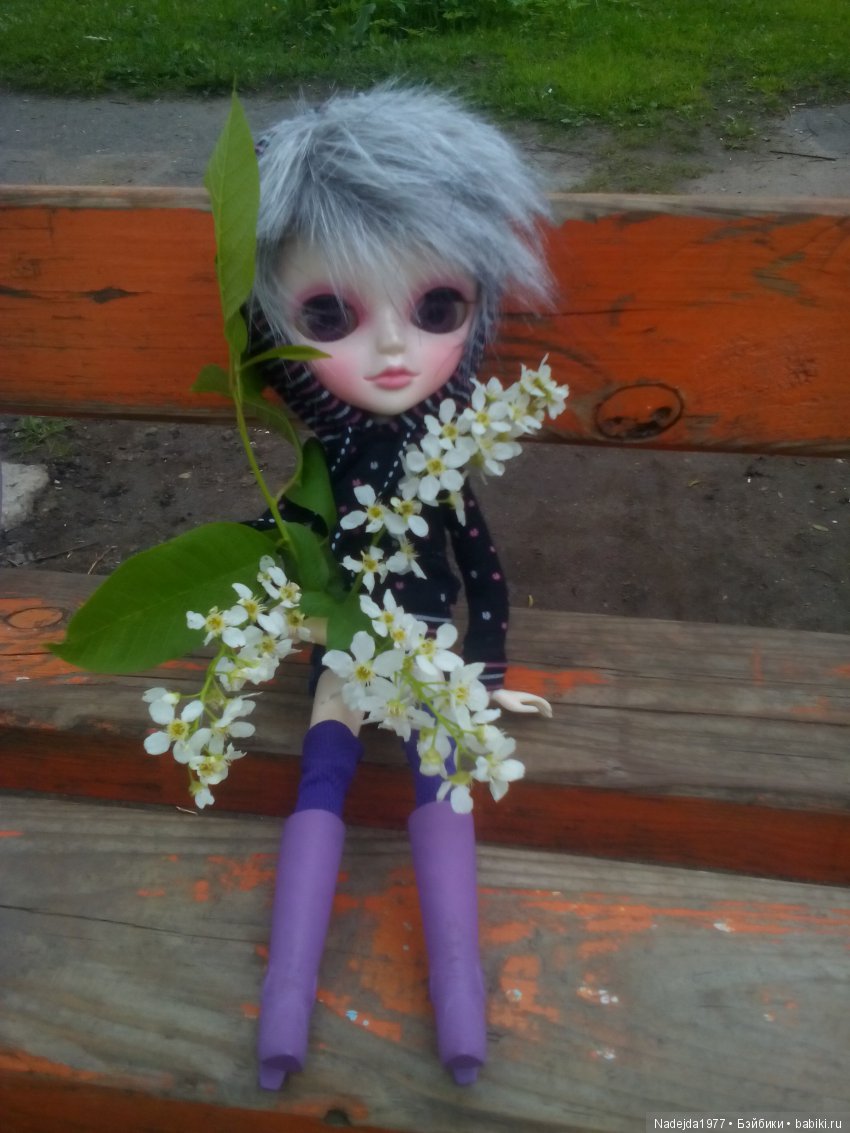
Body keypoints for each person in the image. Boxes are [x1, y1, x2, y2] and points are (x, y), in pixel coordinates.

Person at [250, 84, 555, 1090]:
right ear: (268, 326)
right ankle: (283, 1007)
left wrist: (485, 669)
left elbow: (482, 570)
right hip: (345, 648)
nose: (390, 349)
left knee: (439, 780)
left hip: (423, 650)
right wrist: (259, 603)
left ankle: (462, 1007)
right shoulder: (324, 465)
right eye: (328, 313)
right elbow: (287, 537)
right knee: (321, 780)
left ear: (478, 313)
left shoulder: (443, 463)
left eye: (435, 309)